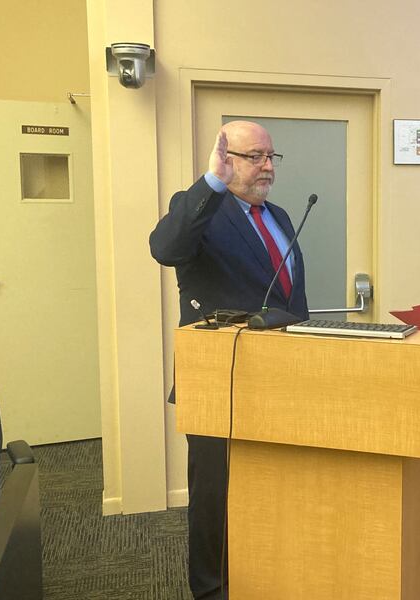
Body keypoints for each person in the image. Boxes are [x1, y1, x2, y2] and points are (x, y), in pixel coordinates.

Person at [149, 120, 309, 599]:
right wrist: (211, 184)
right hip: (217, 378)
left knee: (269, 484)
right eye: (255, 157)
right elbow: (165, 248)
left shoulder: (280, 216)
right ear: (226, 159)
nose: (267, 167)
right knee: (215, 494)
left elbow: (289, 298)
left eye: (271, 157)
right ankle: (211, 589)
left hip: (278, 376)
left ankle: (264, 576)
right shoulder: (199, 207)